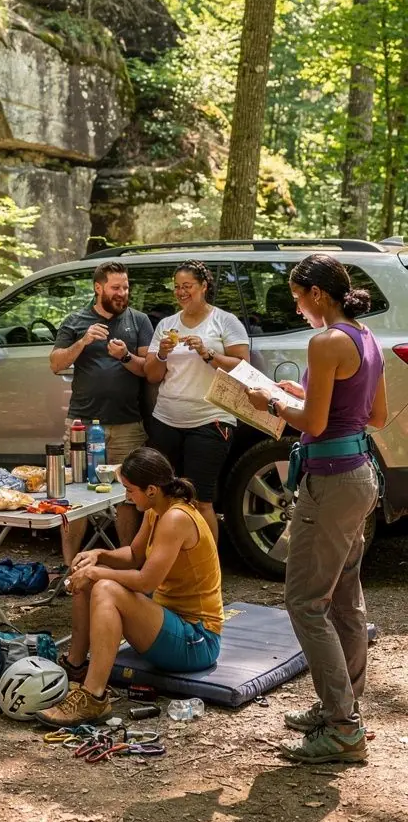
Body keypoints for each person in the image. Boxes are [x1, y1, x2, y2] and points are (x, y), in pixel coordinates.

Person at [245, 253, 387, 766]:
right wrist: (304, 395)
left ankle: (343, 728)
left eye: (297, 297)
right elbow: (375, 415)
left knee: (305, 602)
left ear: (318, 295)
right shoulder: (366, 338)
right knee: (344, 598)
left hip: (330, 482)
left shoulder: (326, 342)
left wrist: (273, 404)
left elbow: (317, 424)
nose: (297, 308)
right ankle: (341, 708)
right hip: (360, 476)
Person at [37, 446, 223, 726]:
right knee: (89, 577)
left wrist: (98, 573)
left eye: (129, 489)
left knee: (103, 586)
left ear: (151, 490)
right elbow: (135, 555)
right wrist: (98, 555)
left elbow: (147, 580)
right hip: (170, 624)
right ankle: (76, 667)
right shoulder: (156, 510)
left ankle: (93, 697)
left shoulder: (176, 518)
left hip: (197, 641)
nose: (126, 496)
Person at [50, 261, 152, 560]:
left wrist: (125, 356)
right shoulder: (76, 321)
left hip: (127, 424)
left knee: (128, 496)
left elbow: (149, 370)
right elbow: (56, 364)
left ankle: (129, 562)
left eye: (126, 287)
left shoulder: (139, 320)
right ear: (98, 288)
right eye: (116, 288)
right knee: (76, 495)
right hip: (81, 423)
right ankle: (70, 567)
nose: (122, 293)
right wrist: (83, 341)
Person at [144, 260, 249, 542]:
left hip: (210, 419)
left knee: (200, 499)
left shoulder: (224, 321)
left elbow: (243, 367)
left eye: (187, 286)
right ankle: (168, 558)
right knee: (164, 497)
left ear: (204, 286)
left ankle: (207, 562)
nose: (181, 292)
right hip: (166, 419)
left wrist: (207, 353)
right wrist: (162, 354)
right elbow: (152, 375)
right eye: (177, 287)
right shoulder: (166, 325)